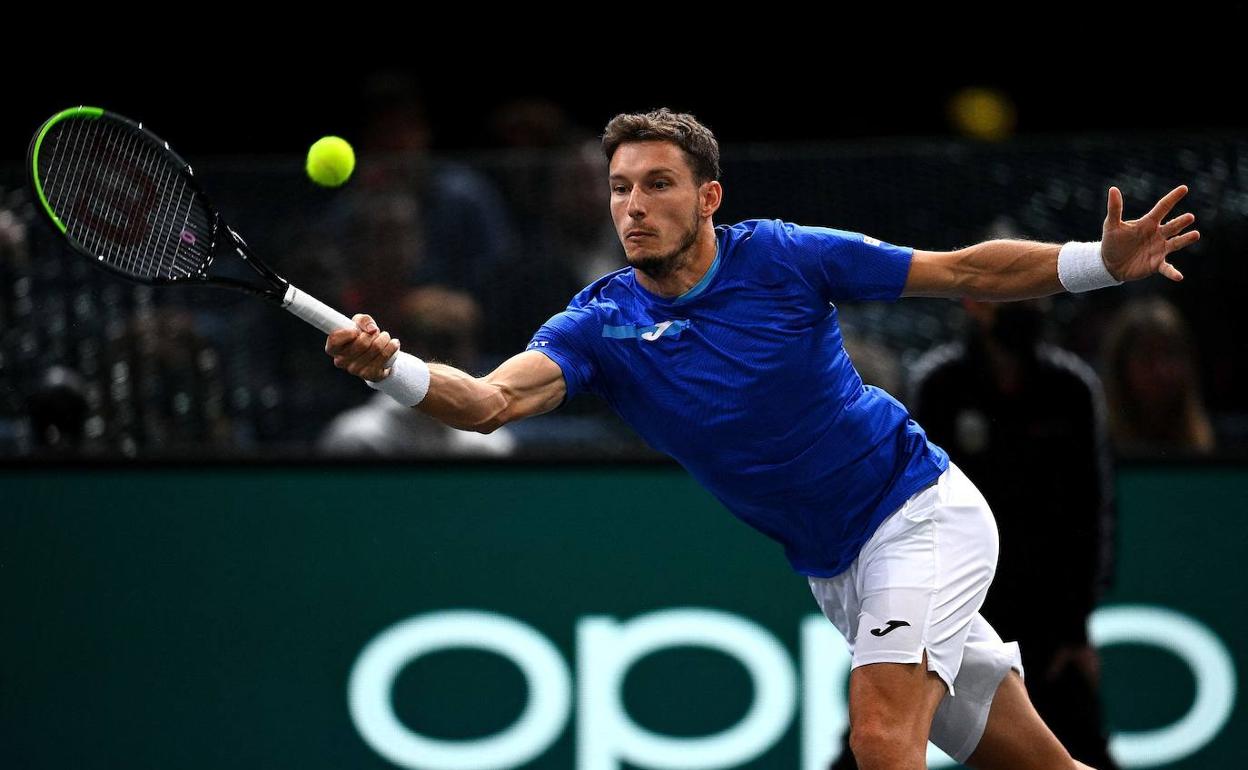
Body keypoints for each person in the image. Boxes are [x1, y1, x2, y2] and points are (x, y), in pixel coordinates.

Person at [325, 109, 1198, 770]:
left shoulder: (783, 257)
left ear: (708, 197)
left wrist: (1096, 261)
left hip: (917, 513)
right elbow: (484, 404)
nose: (634, 205)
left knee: (881, 739)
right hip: (837, 569)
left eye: (658, 184)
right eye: (621, 187)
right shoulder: (598, 326)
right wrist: (390, 370)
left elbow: (962, 270)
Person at [906, 298, 1120, 770]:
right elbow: (915, 509)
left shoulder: (1072, 388)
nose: (1030, 305)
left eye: (1037, 294)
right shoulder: (940, 385)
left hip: (1049, 622)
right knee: (877, 737)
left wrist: (1076, 627)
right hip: (959, 610)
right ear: (974, 304)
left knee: (1079, 752)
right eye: (1014, 294)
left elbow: (1092, 514)